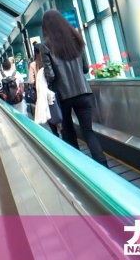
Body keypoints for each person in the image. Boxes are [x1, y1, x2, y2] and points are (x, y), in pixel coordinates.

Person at [41, 9, 107, 167]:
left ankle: (78, 167)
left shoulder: (46, 47)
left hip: (63, 96)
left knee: (68, 132)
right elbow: (85, 69)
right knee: (88, 132)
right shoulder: (76, 40)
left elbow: (50, 76)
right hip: (83, 92)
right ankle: (103, 165)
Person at [30, 42, 59, 137]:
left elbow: (30, 80)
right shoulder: (49, 58)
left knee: (48, 110)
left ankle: (55, 133)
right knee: (56, 108)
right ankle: (62, 127)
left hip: (42, 92)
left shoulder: (33, 64)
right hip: (52, 88)